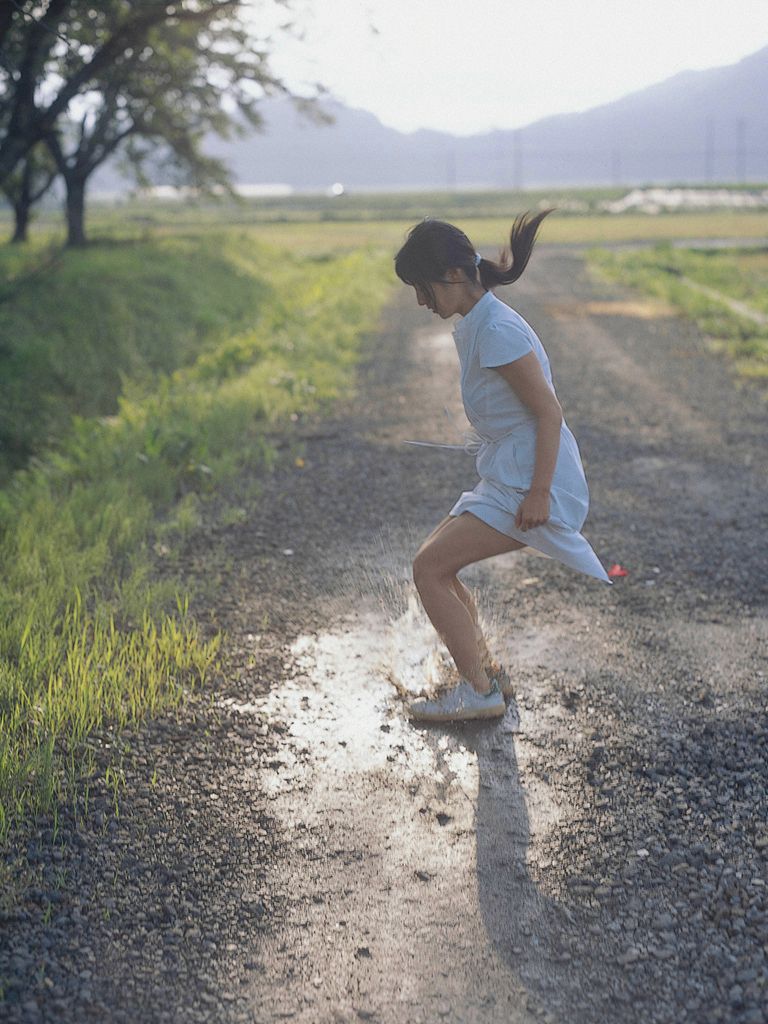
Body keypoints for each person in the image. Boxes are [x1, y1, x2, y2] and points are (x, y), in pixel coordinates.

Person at [394, 211, 613, 724]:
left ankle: (479, 691)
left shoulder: (496, 330)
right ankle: (487, 673)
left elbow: (549, 412)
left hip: (530, 480)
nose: (420, 301)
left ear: (451, 276)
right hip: (511, 473)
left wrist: (538, 493)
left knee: (429, 569)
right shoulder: (482, 322)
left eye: (422, 288)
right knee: (436, 564)